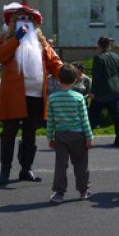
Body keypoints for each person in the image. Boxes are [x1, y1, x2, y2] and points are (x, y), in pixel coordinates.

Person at [0, 2, 63, 186]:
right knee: (9, 132)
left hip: (36, 96)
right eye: (21, 18)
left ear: (34, 23)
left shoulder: (41, 43)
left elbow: (55, 62)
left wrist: (67, 75)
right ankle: (5, 170)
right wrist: (16, 39)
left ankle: (26, 168)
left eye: (29, 18)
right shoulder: (5, 40)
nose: (25, 21)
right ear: (13, 22)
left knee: (30, 133)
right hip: (13, 96)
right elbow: (0, 56)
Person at [46, 63, 94, 202]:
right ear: (75, 80)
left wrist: (50, 137)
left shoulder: (52, 98)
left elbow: (51, 121)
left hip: (60, 135)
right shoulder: (79, 98)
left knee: (61, 165)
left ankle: (59, 192)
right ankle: (83, 190)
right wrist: (89, 137)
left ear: (58, 79)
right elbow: (84, 119)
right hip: (78, 135)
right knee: (81, 164)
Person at [88, 36, 119, 146]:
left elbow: (96, 77)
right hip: (115, 90)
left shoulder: (98, 58)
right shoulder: (115, 57)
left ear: (99, 46)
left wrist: (93, 92)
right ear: (109, 46)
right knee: (117, 118)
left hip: (102, 92)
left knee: (92, 116)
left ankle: (86, 139)